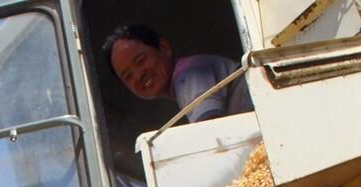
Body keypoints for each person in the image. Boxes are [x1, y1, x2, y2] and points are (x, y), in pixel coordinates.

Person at [102, 24, 253, 123]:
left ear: (164, 47)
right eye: (128, 76)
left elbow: (211, 133)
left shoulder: (187, 76)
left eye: (140, 60)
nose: (138, 75)